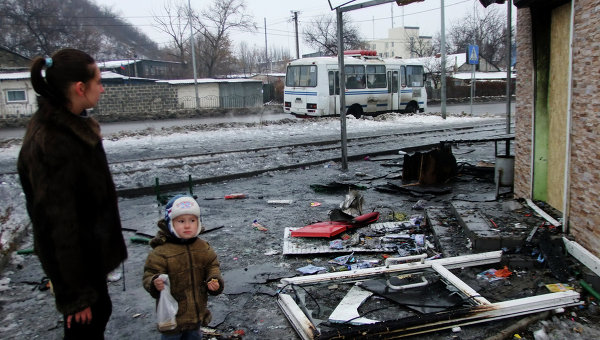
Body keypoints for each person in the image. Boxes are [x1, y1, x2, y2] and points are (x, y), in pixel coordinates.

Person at [17, 48, 128, 339]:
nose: (102, 88)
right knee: (85, 330)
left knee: (98, 319)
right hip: (79, 278)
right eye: (98, 82)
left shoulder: (69, 127)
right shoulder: (53, 141)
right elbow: (56, 226)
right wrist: (75, 296)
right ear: (80, 88)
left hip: (88, 266)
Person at [143, 195, 224, 340]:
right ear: (170, 223)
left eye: (192, 220)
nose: (187, 225)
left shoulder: (202, 247)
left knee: (194, 336)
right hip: (172, 318)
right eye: (181, 221)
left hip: (196, 315)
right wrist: (155, 282)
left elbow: (212, 266)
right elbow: (149, 274)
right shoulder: (161, 251)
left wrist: (214, 280)